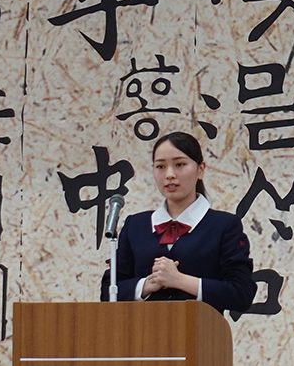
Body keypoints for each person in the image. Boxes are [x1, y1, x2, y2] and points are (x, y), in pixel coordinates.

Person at [101, 132, 256, 313]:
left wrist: (179, 280)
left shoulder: (224, 226)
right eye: (160, 166)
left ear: (200, 169)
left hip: (201, 329)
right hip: (141, 330)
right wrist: (147, 285)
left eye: (180, 164)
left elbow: (241, 293)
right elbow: (108, 291)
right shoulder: (135, 226)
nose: (170, 174)